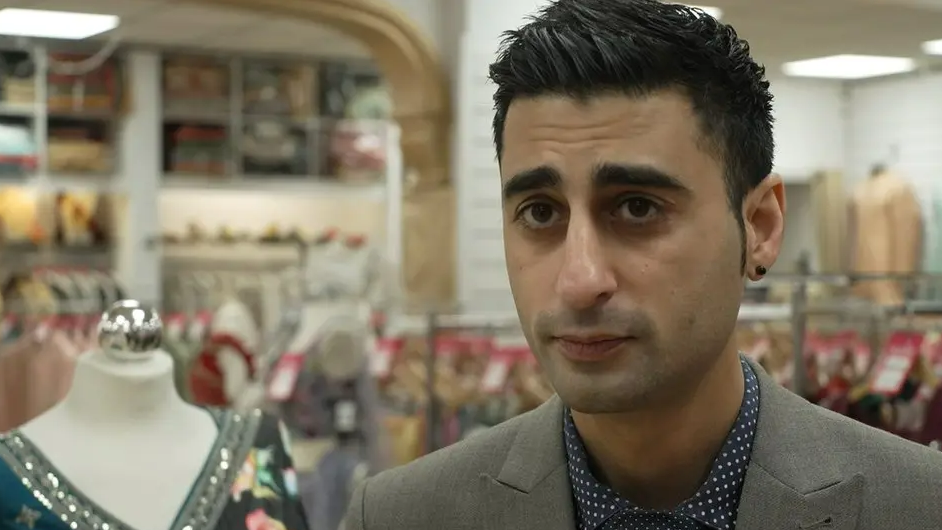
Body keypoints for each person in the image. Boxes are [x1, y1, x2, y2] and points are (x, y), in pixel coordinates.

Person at [343, 1, 942, 529]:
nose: (579, 281)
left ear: (759, 227)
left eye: (637, 207)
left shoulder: (920, 506)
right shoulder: (400, 516)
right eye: (540, 213)